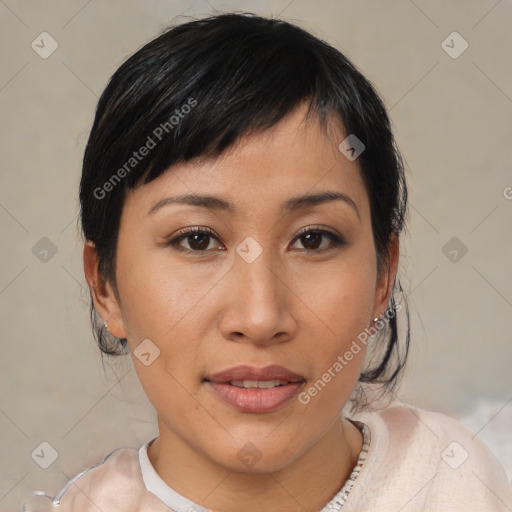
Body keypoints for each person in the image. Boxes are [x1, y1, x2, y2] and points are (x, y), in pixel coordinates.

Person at [24, 12, 511, 512]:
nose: (260, 318)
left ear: (383, 276)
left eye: (314, 239)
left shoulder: (458, 482)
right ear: (105, 285)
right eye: (196, 240)